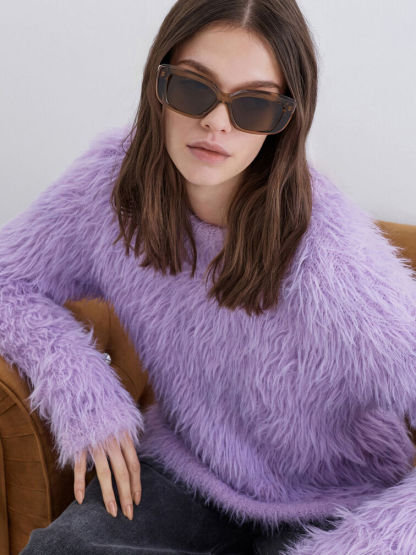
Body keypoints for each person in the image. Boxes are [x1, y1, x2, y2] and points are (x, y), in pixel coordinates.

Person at [2, 0, 416, 553]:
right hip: (189, 471)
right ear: (159, 84)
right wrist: (86, 398)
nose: (217, 122)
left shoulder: (333, 256)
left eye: (254, 105)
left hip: (333, 502)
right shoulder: (108, 190)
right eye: (194, 88)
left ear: (285, 120)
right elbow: (8, 279)